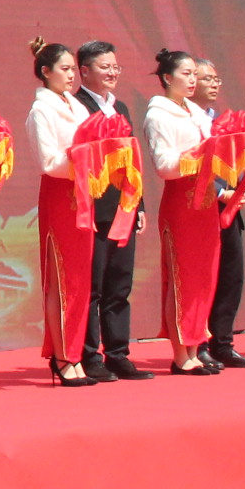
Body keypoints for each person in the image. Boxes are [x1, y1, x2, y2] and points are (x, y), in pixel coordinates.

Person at [143, 48, 224, 376]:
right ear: (167, 78)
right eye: (186, 74)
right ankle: (181, 353)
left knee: (204, 276)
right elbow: (164, 166)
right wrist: (200, 155)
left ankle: (195, 346)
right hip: (181, 203)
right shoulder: (158, 114)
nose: (192, 80)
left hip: (206, 203)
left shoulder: (196, 112)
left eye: (194, 74)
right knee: (182, 277)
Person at [74, 41, 148, 380]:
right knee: (93, 286)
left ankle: (118, 353)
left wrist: (139, 204)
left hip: (124, 206)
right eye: (105, 67)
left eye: (115, 67)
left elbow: (132, 161)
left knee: (120, 284)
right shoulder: (77, 106)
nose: (112, 72)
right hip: (93, 208)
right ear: (84, 71)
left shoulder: (120, 107)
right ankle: (89, 356)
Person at [26, 41, 96, 387]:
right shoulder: (41, 110)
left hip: (82, 195)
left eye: (72, 69)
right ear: (46, 72)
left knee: (80, 280)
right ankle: (62, 356)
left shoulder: (77, 106)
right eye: (65, 69)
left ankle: (74, 353)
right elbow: (49, 162)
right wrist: (82, 158)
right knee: (60, 279)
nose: (71, 75)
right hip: (59, 196)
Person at [194, 58, 245, 368]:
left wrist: (243, 187)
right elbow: (193, 163)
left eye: (216, 78)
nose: (214, 84)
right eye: (206, 78)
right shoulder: (189, 120)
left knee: (231, 276)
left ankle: (223, 342)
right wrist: (220, 192)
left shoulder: (221, 120)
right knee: (204, 277)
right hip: (202, 207)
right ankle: (199, 342)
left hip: (231, 208)